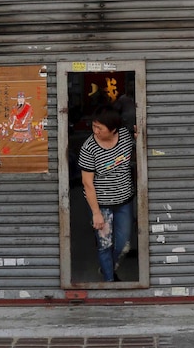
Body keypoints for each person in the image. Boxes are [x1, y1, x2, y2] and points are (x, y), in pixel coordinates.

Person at [77, 105, 134, 282]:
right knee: (104, 245)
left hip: (124, 201)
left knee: (123, 243)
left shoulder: (125, 136)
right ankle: (110, 281)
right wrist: (96, 213)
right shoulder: (89, 148)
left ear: (113, 129)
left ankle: (108, 266)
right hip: (101, 205)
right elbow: (87, 183)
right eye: (93, 126)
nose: (95, 131)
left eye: (99, 128)